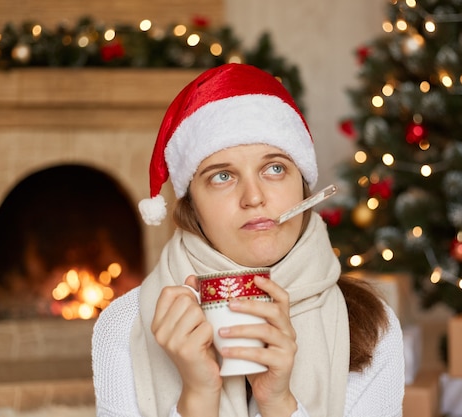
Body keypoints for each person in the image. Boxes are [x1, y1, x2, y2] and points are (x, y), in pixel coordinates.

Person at [92, 63, 405, 417]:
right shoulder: (124, 327)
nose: (253, 197)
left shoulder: (371, 327)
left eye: (274, 168)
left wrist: (279, 404)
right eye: (222, 176)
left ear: (303, 187)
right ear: (192, 206)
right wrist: (197, 398)